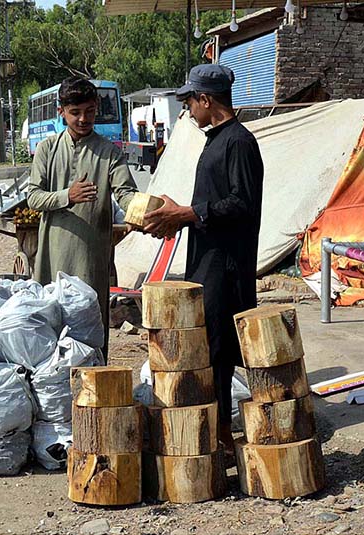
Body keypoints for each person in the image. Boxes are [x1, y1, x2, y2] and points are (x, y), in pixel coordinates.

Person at [143, 64, 264, 457]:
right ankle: (215, 430)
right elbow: (212, 204)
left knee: (220, 352)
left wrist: (188, 214)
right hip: (207, 259)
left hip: (226, 267)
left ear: (206, 100)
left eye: (189, 102)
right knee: (210, 350)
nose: (188, 111)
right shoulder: (215, 141)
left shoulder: (239, 143)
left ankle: (222, 434)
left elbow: (241, 205)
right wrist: (179, 213)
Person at [27, 77, 138, 351]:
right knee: (51, 328)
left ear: (96, 108)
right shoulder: (47, 149)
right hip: (53, 257)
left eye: (89, 111)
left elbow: (125, 193)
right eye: (75, 112)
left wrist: (145, 210)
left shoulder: (109, 153)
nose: (83, 119)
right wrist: (67, 196)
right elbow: (33, 197)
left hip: (91, 258)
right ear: (61, 112)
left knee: (90, 328)